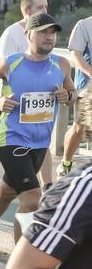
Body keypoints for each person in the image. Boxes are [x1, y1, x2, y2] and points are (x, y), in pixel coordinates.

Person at [0, 13, 75, 264]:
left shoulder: (62, 64)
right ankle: (20, 263)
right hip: (11, 139)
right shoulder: (11, 62)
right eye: (43, 32)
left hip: (39, 143)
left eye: (53, 32)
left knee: (6, 192)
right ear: (29, 35)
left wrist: (66, 97)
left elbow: (72, 92)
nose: (49, 37)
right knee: (32, 197)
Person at [0, 0, 52, 193]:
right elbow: (4, 67)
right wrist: (0, 99)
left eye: (46, 7)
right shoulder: (12, 34)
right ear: (26, 11)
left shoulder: (45, 33)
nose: (45, 11)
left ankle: (48, 186)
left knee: (42, 139)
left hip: (37, 99)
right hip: (10, 99)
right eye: (40, 8)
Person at [59, 11, 92, 176]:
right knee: (80, 130)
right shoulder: (84, 25)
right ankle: (66, 163)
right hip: (88, 89)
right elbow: (76, 55)